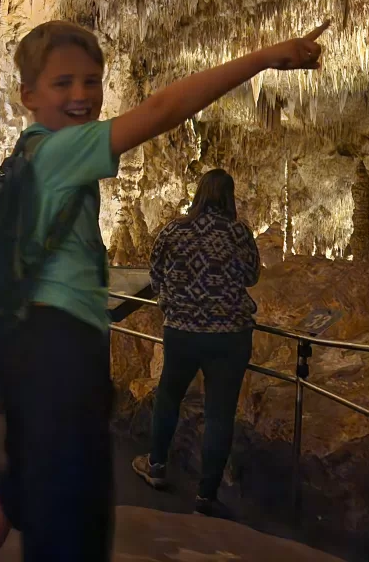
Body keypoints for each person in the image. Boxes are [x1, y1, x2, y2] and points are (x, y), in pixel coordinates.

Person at [0, 19, 329, 562]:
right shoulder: (60, 153)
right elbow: (160, 112)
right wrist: (263, 58)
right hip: (58, 351)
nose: (82, 95)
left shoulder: (28, 158)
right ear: (29, 96)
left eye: (91, 81)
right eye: (63, 83)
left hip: (34, 343)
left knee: (25, 480)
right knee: (72, 512)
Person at [131, 168, 260, 519]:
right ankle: (206, 496)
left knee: (170, 396)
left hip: (183, 330)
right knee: (220, 413)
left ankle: (156, 465)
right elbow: (251, 276)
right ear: (230, 197)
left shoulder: (175, 230)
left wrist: (176, 296)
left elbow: (155, 274)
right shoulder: (239, 233)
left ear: (199, 194)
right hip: (230, 335)